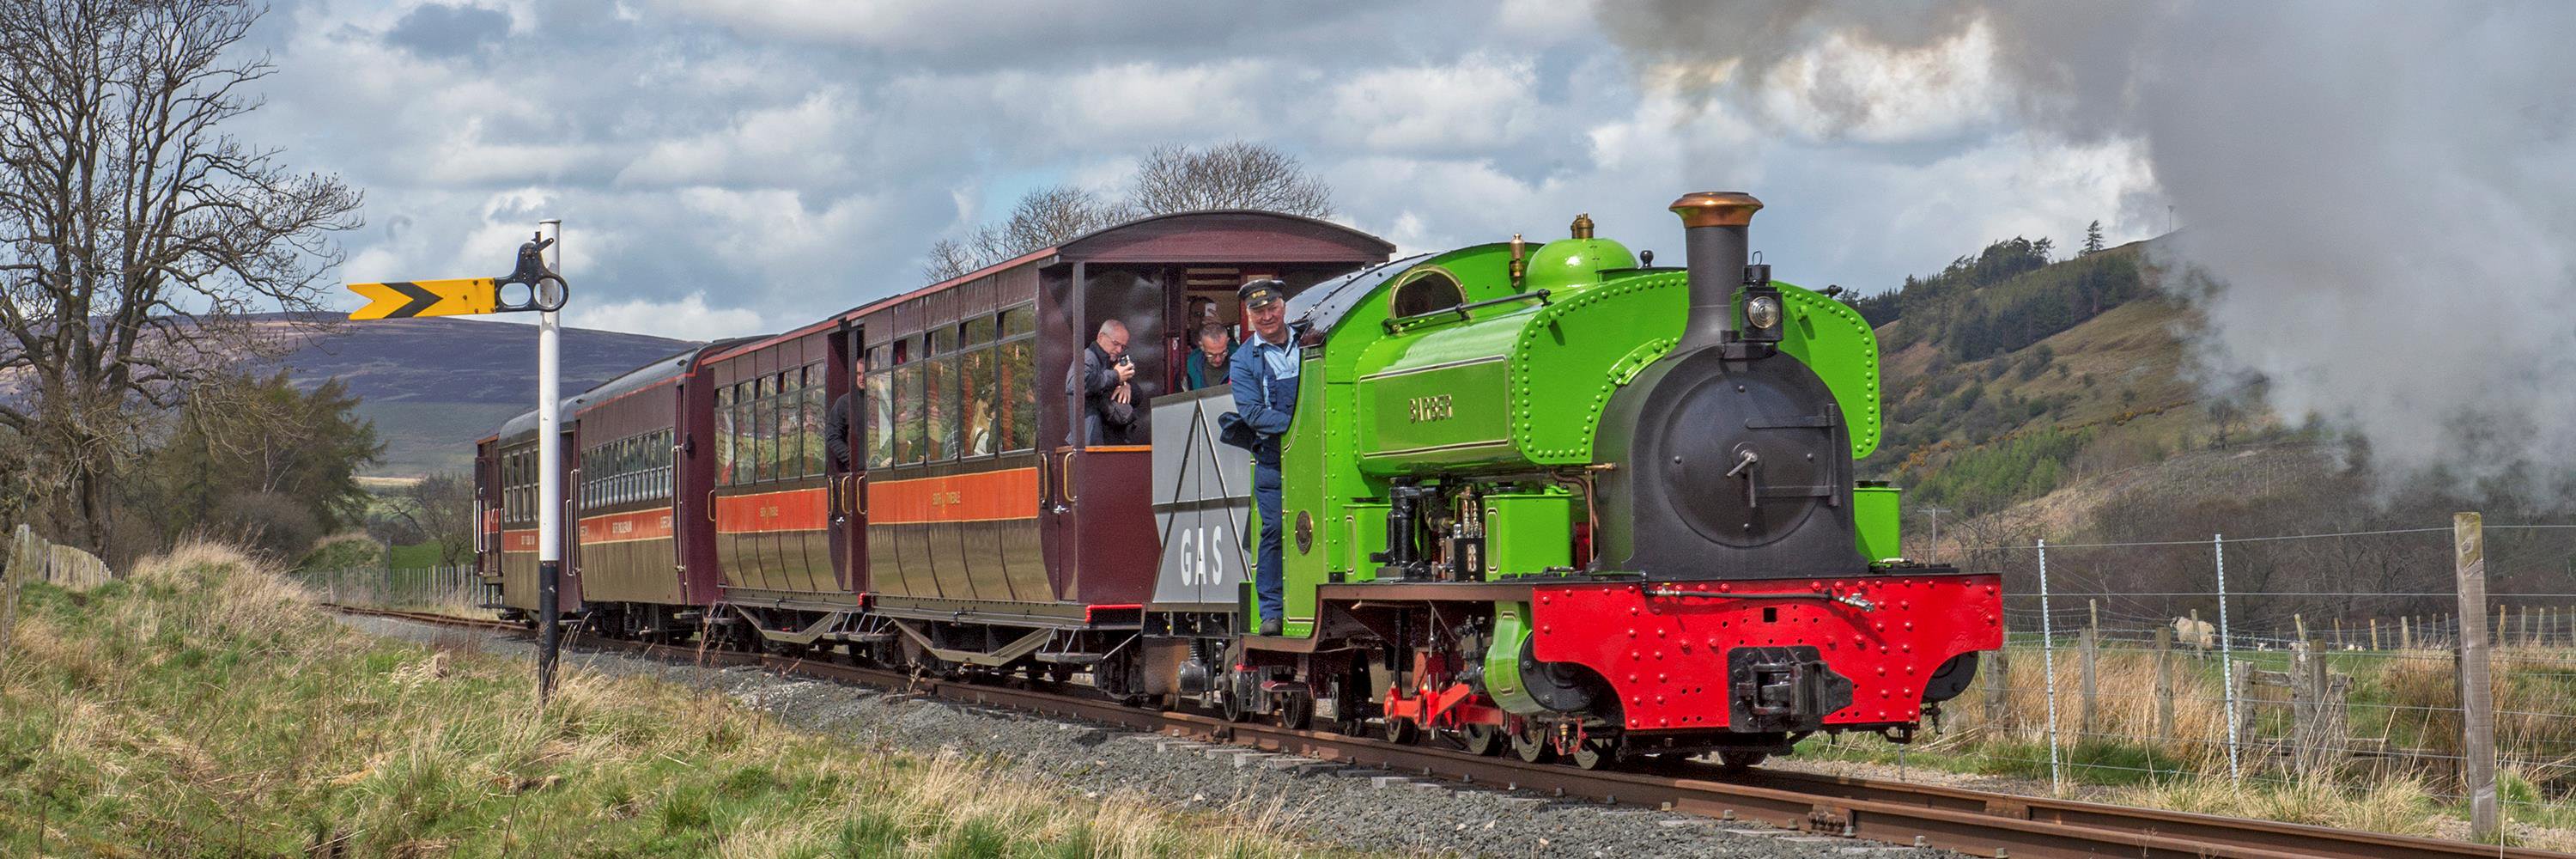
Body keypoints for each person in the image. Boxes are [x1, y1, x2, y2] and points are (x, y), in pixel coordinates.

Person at [1226, 279, 1297, 637]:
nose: (1267, 317)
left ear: (1283, 307)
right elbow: (1252, 413)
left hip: (1316, 453)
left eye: (1272, 308)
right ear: (1249, 317)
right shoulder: (1241, 362)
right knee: (1272, 529)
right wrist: (1300, 426)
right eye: (1259, 312)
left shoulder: (1307, 342)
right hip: (1273, 456)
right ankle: (1271, 610)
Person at [1066, 319, 1139, 446]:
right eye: (1115, 343)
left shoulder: (1112, 362)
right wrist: (1115, 376)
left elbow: (1138, 396)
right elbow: (1074, 385)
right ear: (1101, 336)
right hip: (1090, 442)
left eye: (1123, 346)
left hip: (1109, 442)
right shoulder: (1088, 358)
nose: (1119, 350)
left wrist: (1126, 385)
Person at [1182, 322, 1231, 390]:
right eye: (1211, 355)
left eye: (1223, 353)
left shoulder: (1242, 362)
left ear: (1227, 342)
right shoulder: (1190, 366)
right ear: (1201, 346)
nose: (1218, 360)